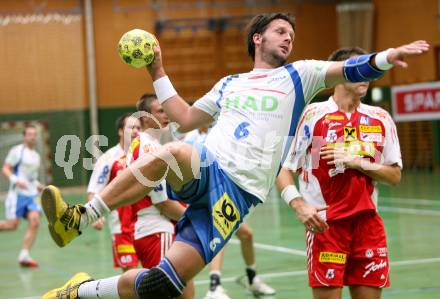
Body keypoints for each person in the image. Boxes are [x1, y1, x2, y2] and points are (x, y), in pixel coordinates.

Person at [40, 12, 428, 299]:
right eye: (280, 32)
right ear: (257, 38)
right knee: (172, 150)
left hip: (238, 197)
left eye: (292, 34)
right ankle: (78, 218)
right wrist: (156, 68)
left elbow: (351, 66)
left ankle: (78, 292)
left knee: (163, 283)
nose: (288, 38)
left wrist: (387, 55)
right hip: (211, 164)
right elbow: (185, 117)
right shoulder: (230, 83)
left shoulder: (301, 75)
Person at [276, 47, 403, 299]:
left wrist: (359, 163)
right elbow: (283, 167)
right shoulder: (312, 116)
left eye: (369, 70)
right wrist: (298, 203)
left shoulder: (380, 118)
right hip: (326, 227)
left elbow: (394, 175)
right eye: (359, 70)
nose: (366, 76)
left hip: (368, 226)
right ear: (337, 75)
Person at [185, 128, 275, 299]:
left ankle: (252, 279)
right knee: (222, 233)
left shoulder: (221, 131)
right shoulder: (191, 138)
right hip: (204, 194)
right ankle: (214, 287)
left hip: (223, 189)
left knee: (246, 235)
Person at [128, 93, 194, 299]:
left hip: (156, 229)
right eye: (160, 111)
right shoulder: (148, 148)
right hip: (157, 230)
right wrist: (193, 219)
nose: (166, 115)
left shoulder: (150, 144)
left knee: (183, 287)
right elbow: (163, 203)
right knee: (173, 292)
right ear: (146, 117)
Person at [87, 113, 141, 272]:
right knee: (131, 275)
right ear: (120, 131)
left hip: (146, 224)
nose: (136, 131)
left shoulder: (146, 154)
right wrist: (93, 215)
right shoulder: (109, 158)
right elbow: (94, 189)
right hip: (121, 227)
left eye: (139, 127)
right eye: (131, 127)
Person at [1, 124, 43, 268]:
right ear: (24, 136)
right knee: (13, 225)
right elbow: (5, 169)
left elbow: (31, 177)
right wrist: (16, 180)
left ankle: (24, 255)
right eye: (29, 134)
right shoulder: (17, 151)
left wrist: (37, 184)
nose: (32, 136)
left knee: (35, 221)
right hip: (17, 194)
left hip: (32, 194)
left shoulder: (36, 156)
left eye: (34, 134)